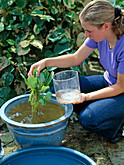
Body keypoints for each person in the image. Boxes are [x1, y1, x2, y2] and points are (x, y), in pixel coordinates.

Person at [28, 0, 124, 143]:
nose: (86, 35)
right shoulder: (101, 36)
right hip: (109, 81)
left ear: (106, 26)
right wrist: (46, 62)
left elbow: (120, 87)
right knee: (58, 92)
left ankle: (116, 129)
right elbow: (76, 58)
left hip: (121, 89)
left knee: (88, 119)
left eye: (89, 31)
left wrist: (86, 96)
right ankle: (104, 109)